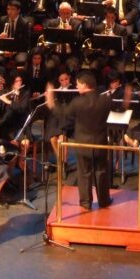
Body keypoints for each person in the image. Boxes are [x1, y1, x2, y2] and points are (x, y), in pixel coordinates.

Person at [50, 71, 112, 211]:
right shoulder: (106, 100)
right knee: (101, 171)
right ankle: (104, 201)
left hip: (83, 143)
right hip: (100, 142)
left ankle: (85, 203)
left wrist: (51, 102)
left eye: (78, 84)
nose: (76, 87)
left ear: (85, 85)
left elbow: (63, 114)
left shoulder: (78, 102)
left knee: (84, 173)